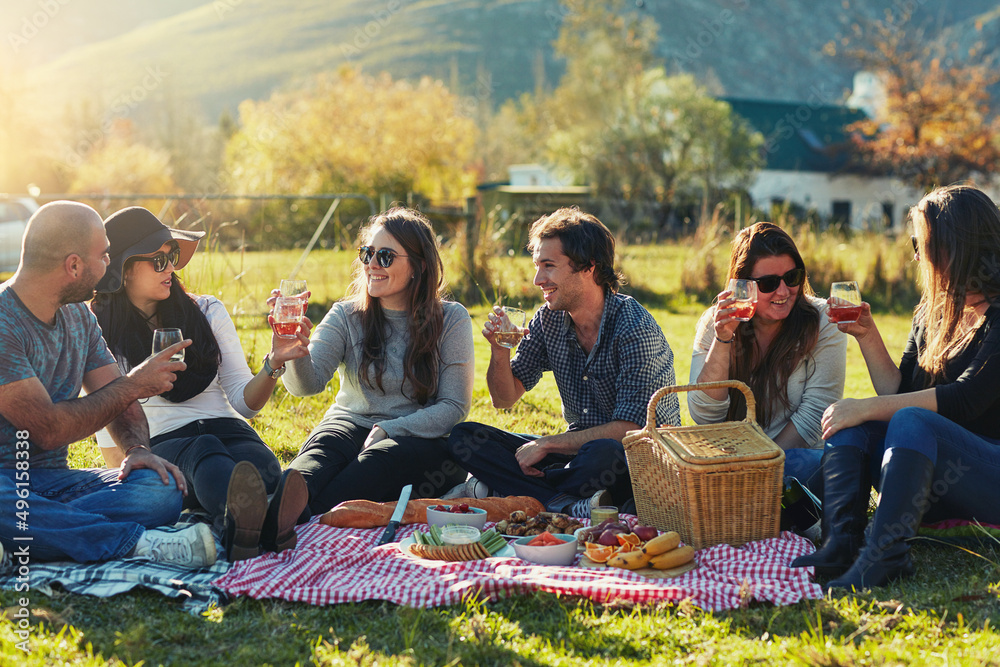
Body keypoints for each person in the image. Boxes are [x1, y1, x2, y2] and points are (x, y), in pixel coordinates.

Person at [792, 184, 1000, 590]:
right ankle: (841, 544)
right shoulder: (933, 310)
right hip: (930, 477)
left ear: (953, 247)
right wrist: (868, 336)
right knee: (855, 424)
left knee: (904, 419)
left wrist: (868, 406)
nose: (915, 254)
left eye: (920, 242)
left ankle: (885, 555)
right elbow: (901, 389)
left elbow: (965, 398)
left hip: (986, 474)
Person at [0, 201, 215, 567]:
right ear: (73, 265)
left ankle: (27, 534)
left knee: (160, 490)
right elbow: (49, 430)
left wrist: (137, 450)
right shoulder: (5, 324)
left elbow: (117, 397)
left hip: (53, 483)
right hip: (4, 483)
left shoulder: (79, 316)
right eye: (104, 257)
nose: (107, 267)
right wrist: (134, 384)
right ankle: (134, 545)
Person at [91, 206, 310, 561]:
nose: (171, 268)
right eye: (158, 261)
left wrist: (273, 363)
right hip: (166, 443)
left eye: (172, 256)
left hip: (229, 430)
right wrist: (132, 469)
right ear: (124, 271)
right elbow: (108, 417)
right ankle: (264, 522)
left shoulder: (207, 311)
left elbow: (244, 404)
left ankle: (250, 527)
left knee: (260, 462)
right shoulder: (99, 330)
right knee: (206, 452)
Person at [447, 207, 681, 518]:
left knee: (602, 455)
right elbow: (504, 398)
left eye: (549, 266)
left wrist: (547, 444)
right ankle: (568, 503)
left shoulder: (634, 328)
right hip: (574, 455)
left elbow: (630, 431)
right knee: (466, 438)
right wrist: (499, 349)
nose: (537, 279)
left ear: (588, 267)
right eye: (536, 265)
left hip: (637, 460)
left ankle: (526, 492)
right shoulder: (549, 320)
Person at [280, 207, 474, 514]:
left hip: (418, 439)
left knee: (372, 464)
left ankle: (290, 516)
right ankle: (267, 514)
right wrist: (294, 350)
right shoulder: (346, 315)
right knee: (310, 467)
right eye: (367, 253)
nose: (371, 264)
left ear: (418, 266)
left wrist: (390, 428)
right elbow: (306, 385)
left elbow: (454, 408)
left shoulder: (451, 319)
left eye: (385, 256)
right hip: (349, 424)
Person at [689, 222, 846, 498]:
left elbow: (815, 416)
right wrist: (723, 339)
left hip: (792, 461)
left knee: (819, 466)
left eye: (792, 277)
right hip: (728, 462)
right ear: (741, 285)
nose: (784, 292)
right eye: (769, 283)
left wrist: (761, 468)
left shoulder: (823, 321)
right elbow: (704, 416)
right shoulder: (717, 322)